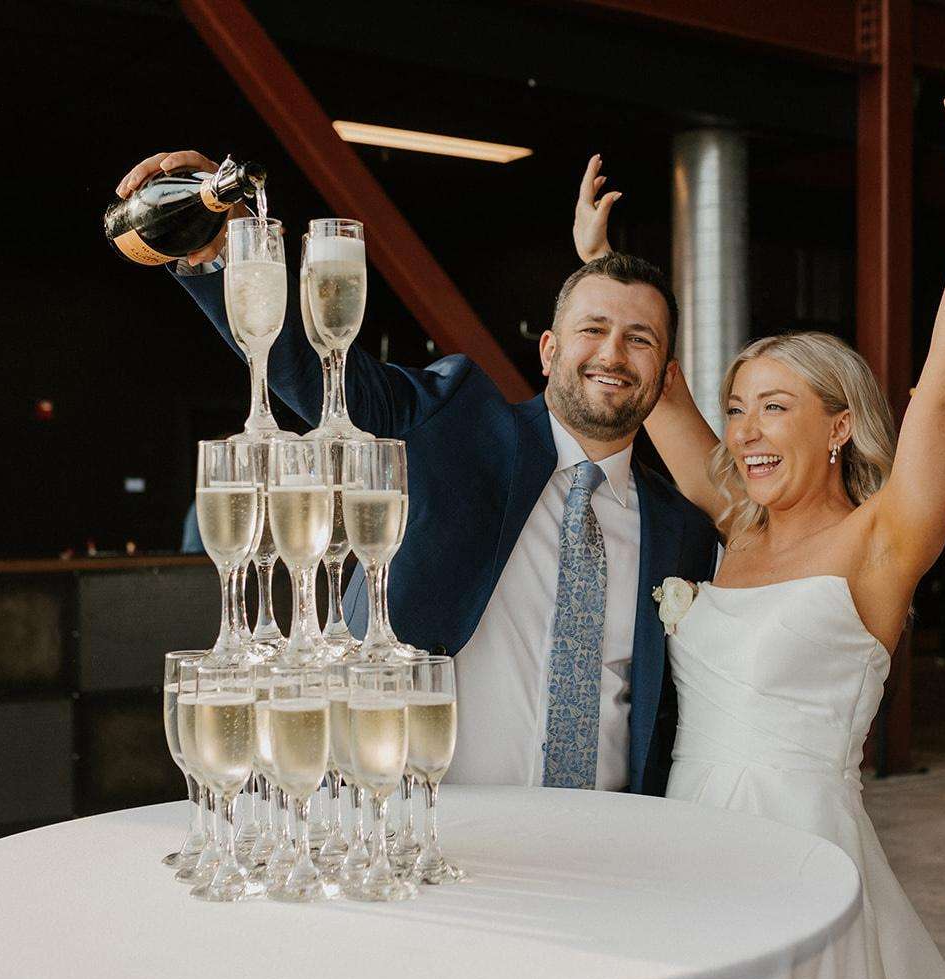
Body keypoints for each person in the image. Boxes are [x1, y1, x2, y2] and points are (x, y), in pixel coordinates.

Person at [582, 64, 945, 979]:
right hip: (688, 840)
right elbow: (655, 382)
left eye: (777, 405)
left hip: (802, 852)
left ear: (841, 425)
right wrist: (602, 274)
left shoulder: (882, 542)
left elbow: (944, 389)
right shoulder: (735, 521)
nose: (746, 429)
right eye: (737, 405)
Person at [113, 151, 718, 795]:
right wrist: (228, 243)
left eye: (641, 339)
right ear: (548, 351)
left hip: (611, 839)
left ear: (667, 374)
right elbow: (324, 373)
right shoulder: (457, 419)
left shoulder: (681, 531)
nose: (612, 354)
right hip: (424, 827)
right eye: (592, 328)